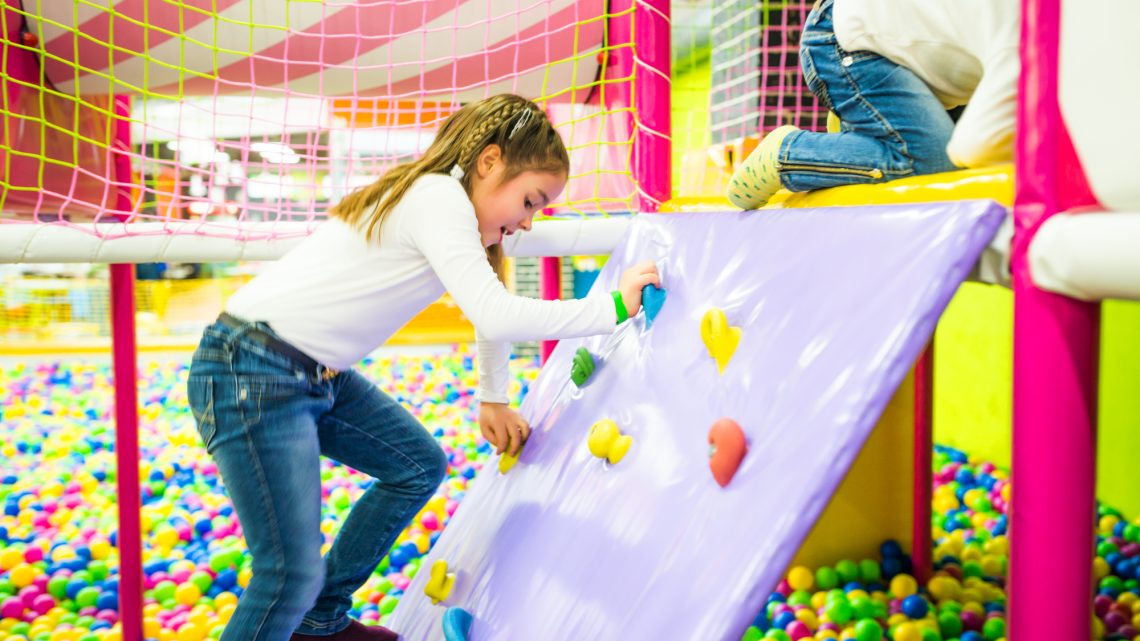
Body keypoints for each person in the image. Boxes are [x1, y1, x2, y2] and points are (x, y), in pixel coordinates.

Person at [186, 94, 660, 641]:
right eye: (529, 201)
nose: (528, 222)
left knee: (416, 465)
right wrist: (614, 307)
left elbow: (487, 302)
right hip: (252, 370)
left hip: (311, 376)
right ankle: (308, 608)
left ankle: (320, 618)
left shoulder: (454, 210)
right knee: (288, 572)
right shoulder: (438, 198)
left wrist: (494, 396)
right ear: (489, 162)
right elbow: (496, 312)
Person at [727, 0, 1019, 209]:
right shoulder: (1025, 39)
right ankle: (788, 154)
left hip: (915, 57)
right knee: (932, 162)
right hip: (845, 40)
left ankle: (857, 133)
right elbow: (973, 147)